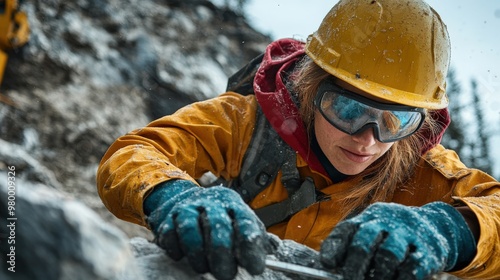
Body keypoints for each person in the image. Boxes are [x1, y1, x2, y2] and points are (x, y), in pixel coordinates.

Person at [96, 0, 500, 279]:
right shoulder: (246, 123)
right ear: (311, 88)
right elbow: (135, 152)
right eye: (347, 110)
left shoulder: (418, 169)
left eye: (395, 122)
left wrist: (448, 231)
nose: (368, 140)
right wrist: (175, 197)